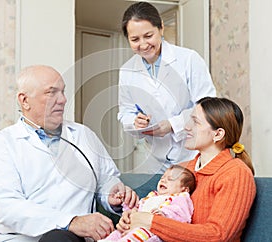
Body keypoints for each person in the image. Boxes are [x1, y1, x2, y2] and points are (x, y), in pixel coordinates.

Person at [0, 65, 139, 242]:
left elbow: (106, 179)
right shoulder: (2, 144)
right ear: (24, 100)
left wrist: (112, 194)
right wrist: (71, 222)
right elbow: (8, 207)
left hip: (75, 239)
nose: (63, 100)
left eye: (63, 92)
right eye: (51, 93)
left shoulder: (83, 135)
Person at [117, 97, 256, 241]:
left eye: (195, 122)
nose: (186, 127)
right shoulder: (183, 169)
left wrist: (150, 222)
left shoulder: (236, 173)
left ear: (218, 134)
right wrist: (132, 218)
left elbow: (217, 235)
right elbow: (159, 204)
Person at [117, 2, 216, 173]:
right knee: (159, 199)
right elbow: (125, 112)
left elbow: (207, 105)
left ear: (161, 28)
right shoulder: (126, 71)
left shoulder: (188, 59)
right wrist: (135, 122)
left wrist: (172, 124)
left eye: (148, 35)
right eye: (135, 39)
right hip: (154, 158)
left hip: (192, 153)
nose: (143, 44)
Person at [100, 164, 195, 242]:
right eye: (162, 177)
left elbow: (181, 216)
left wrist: (163, 215)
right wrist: (126, 205)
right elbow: (137, 209)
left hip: (153, 231)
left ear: (184, 189)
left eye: (170, 179)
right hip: (134, 225)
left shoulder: (180, 198)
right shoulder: (152, 196)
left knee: (138, 234)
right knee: (117, 233)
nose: (163, 180)